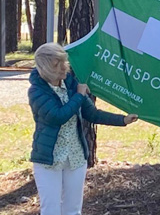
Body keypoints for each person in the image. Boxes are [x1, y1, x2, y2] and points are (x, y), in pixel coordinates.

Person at [28, 42, 138, 215]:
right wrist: (79, 95)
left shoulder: (71, 85)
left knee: (73, 210)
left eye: (65, 62)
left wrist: (123, 120)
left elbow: (92, 114)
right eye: (59, 64)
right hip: (49, 159)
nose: (66, 67)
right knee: (51, 210)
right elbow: (57, 116)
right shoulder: (36, 92)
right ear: (47, 68)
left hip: (76, 156)